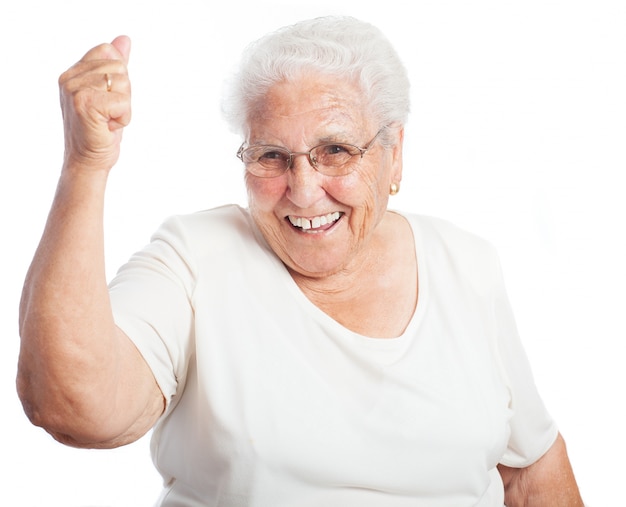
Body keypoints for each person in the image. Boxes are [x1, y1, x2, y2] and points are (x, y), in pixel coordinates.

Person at [17, 15, 584, 506]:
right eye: (272, 157)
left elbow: (532, 470)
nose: (304, 190)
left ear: (395, 155)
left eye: (335, 150)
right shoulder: (197, 257)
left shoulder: (467, 264)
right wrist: (85, 165)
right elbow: (74, 408)